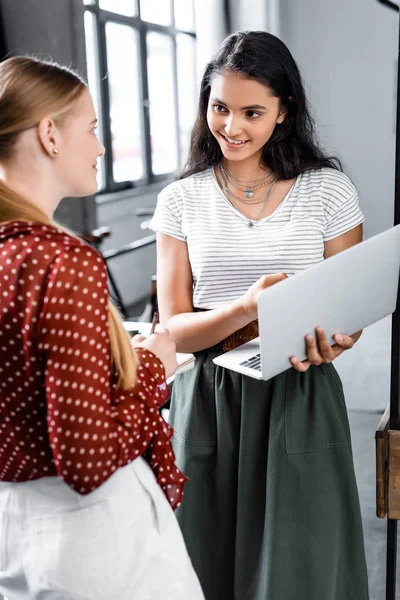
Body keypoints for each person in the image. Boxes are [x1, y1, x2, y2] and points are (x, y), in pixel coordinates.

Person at [151, 31, 369, 600]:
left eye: (252, 112)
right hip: (208, 396)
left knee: (302, 559)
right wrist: (247, 306)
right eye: (220, 107)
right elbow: (173, 329)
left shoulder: (329, 191)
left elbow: (349, 312)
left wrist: (336, 339)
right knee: (203, 552)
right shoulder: (182, 199)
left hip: (298, 390)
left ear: (284, 112)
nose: (232, 126)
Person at [0, 56, 205, 600]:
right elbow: (87, 460)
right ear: (49, 134)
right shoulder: (61, 264)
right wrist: (154, 370)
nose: (100, 147)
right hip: (93, 540)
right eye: (91, 128)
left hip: (13, 527)